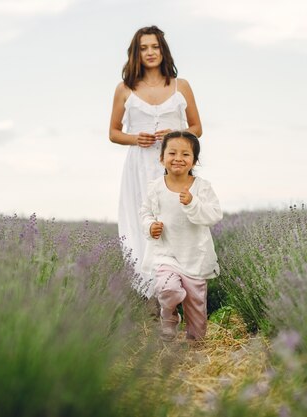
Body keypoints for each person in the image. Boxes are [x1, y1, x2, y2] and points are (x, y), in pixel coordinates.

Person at [109, 25, 203, 296]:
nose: (150, 52)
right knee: (143, 224)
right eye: (143, 48)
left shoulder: (180, 86)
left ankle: (183, 293)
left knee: (179, 223)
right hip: (139, 167)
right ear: (135, 53)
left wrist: (178, 135)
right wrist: (136, 138)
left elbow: (197, 127)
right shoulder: (124, 89)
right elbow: (114, 133)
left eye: (155, 47)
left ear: (163, 50)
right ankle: (151, 296)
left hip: (175, 167)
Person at [139, 131, 222, 342]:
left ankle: (195, 341)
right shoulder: (155, 187)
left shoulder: (201, 187)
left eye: (185, 154)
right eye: (172, 153)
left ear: (194, 160)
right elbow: (145, 213)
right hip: (166, 254)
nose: (178, 158)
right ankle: (169, 322)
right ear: (162, 158)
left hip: (195, 255)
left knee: (196, 305)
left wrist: (192, 203)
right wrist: (150, 226)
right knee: (166, 288)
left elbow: (214, 215)